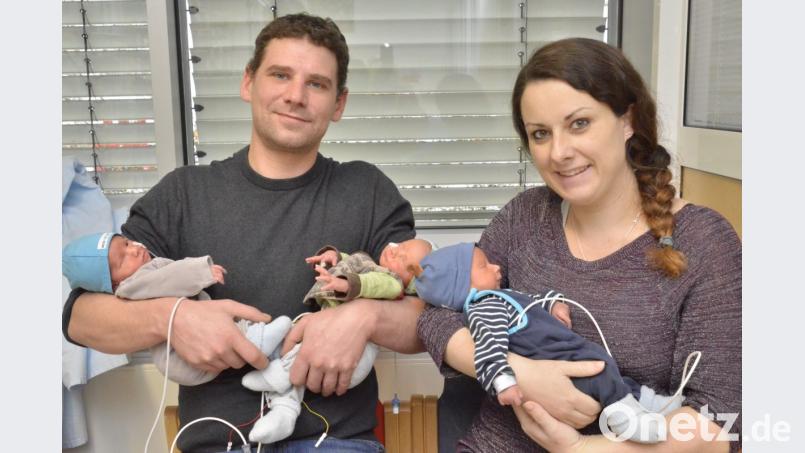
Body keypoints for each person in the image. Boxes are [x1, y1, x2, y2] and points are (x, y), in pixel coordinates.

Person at [62, 13, 425, 453]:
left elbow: (424, 318)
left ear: (339, 103)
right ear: (248, 82)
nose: (295, 96)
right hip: (218, 444)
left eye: (317, 84)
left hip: (333, 442)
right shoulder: (183, 194)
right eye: (280, 75)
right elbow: (82, 319)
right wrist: (175, 318)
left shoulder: (367, 191)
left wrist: (363, 316)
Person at [417, 37, 741, 452]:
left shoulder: (703, 242)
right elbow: (435, 316)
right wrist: (517, 372)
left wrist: (577, 449)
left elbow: (718, 423)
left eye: (579, 124)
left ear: (629, 120)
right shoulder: (524, 217)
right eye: (540, 134)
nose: (559, 153)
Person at [413, 242, 689, 444]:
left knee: (611, 373)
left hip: (564, 353)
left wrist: (554, 302)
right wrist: (505, 381)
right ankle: (625, 419)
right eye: (484, 266)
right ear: (463, 288)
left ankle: (648, 402)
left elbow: (528, 303)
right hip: (556, 360)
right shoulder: (484, 308)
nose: (496, 267)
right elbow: (488, 346)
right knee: (599, 370)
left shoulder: (500, 297)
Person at [241, 238, 432, 444]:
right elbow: (354, 261)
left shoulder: (392, 281)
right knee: (294, 338)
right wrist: (335, 256)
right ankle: (283, 411)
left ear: (411, 279)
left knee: (303, 355)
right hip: (323, 333)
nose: (396, 252)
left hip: (353, 359)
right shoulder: (371, 265)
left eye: (403, 259)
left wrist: (344, 283)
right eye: (400, 247)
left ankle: (279, 375)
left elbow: (372, 285)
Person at [61, 232, 293, 386]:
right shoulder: (132, 285)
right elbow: (168, 278)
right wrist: (202, 271)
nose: (134, 249)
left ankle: (272, 375)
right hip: (185, 363)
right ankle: (258, 341)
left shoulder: (144, 267)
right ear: (113, 284)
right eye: (122, 260)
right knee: (240, 338)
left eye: (127, 242)